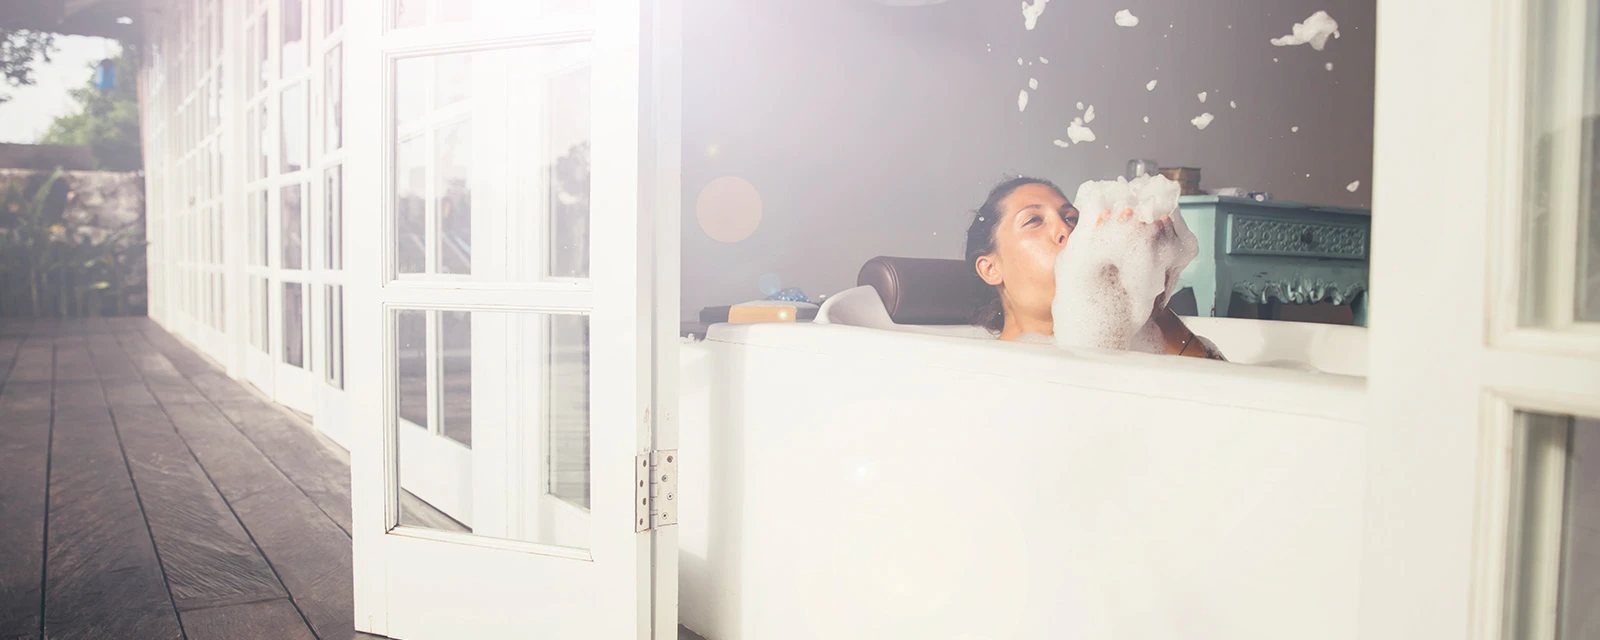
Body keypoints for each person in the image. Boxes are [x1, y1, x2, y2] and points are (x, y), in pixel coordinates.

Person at [964, 176, 1224, 359]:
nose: (1065, 229)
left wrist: (1154, 310)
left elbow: (1230, 399)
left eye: (1071, 218)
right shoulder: (977, 369)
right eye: (1034, 220)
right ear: (990, 269)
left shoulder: (1134, 344)